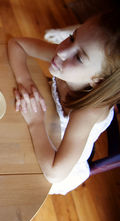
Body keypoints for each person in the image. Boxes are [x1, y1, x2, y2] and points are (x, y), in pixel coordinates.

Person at [7, 10, 120, 195]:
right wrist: (24, 80)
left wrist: (35, 122)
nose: (62, 50)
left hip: (57, 158)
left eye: (80, 57)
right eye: (72, 37)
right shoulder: (66, 58)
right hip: (45, 119)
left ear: (97, 80)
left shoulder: (87, 112)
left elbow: (54, 173)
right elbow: (16, 43)